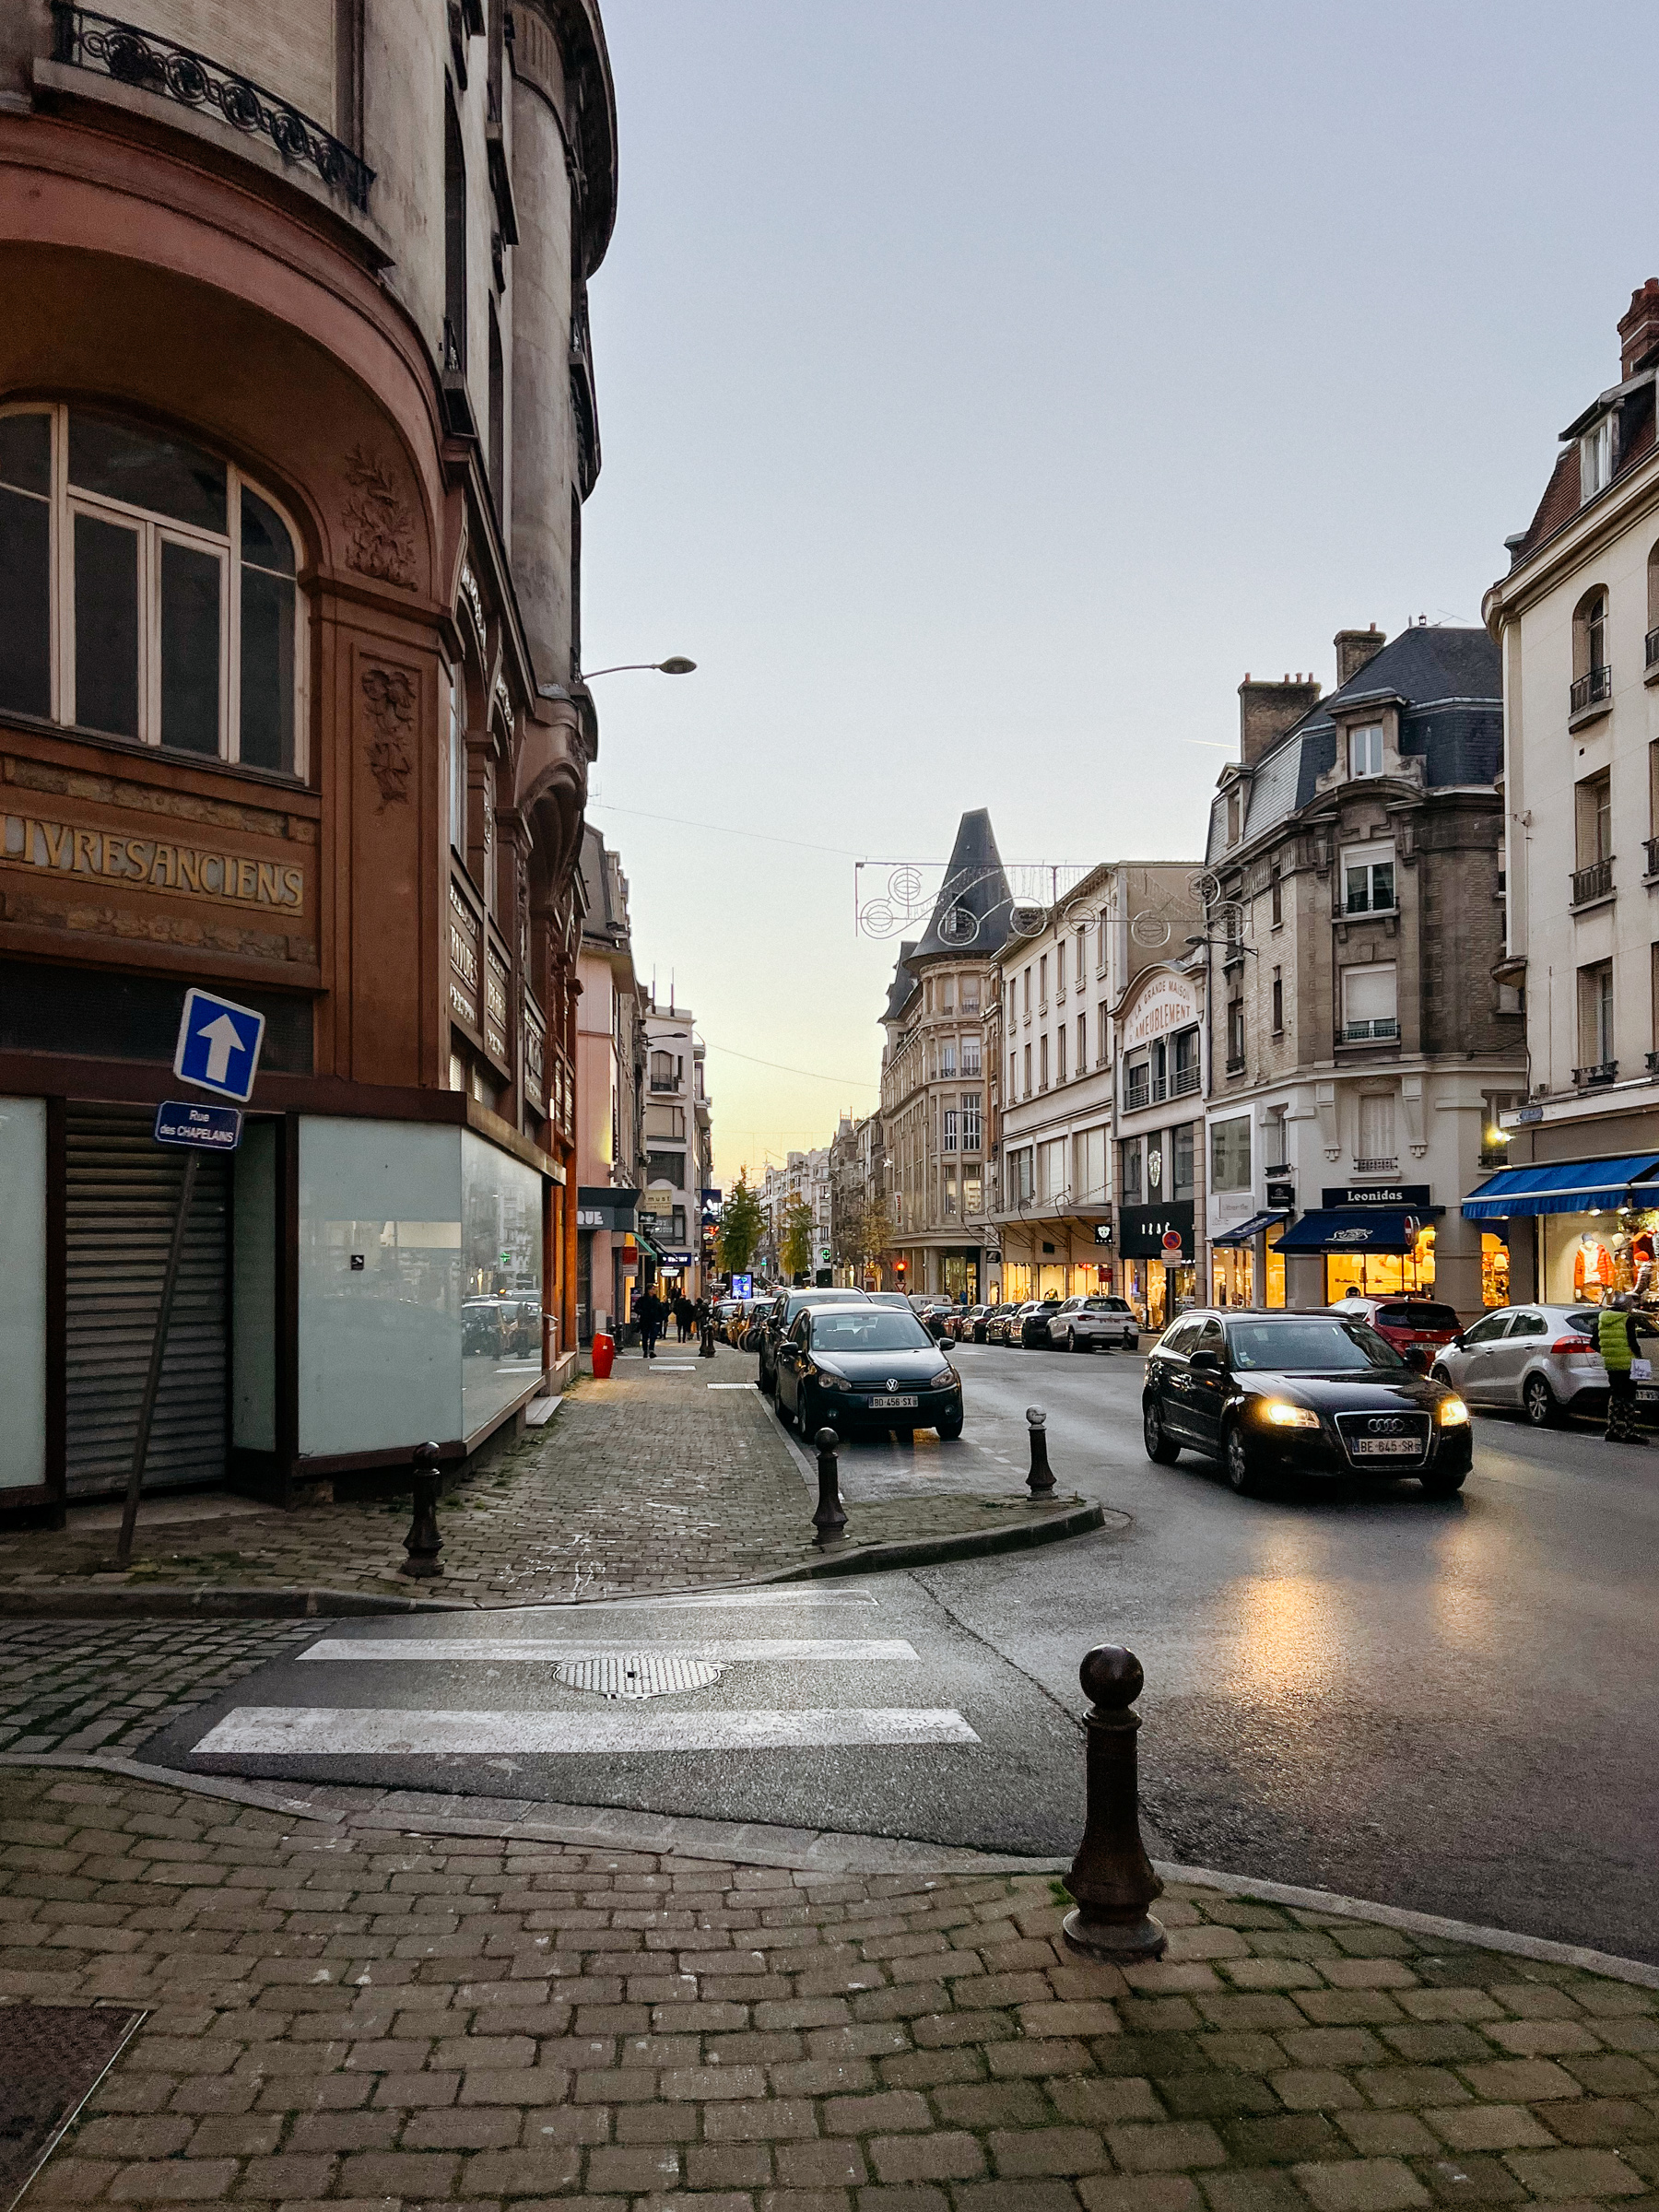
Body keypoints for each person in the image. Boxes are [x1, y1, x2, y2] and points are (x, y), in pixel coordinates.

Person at [1598, 1293, 1648, 1445]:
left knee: (1616, 1396)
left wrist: (1609, 1352)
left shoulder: (1603, 1319)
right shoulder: (1628, 1320)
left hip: (1611, 1364)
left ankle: (1612, 1430)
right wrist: (1639, 1356)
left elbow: (1595, 1341)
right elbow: (1632, 1342)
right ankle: (1629, 1431)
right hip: (1627, 1363)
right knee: (1628, 1398)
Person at [637, 1286, 665, 1362]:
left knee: (653, 1336)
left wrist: (660, 1318)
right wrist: (642, 1313)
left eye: (654, 1289)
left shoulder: (656, 1300)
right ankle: (645, 1351)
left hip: (654, 1320)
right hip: (645, 1320)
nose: (653, 1291)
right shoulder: (642, 1300)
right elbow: (637, 1308)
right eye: (652, 1289)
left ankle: (651, 1350)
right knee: (645, 1336)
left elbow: (661, 1310)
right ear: (648, 1290)